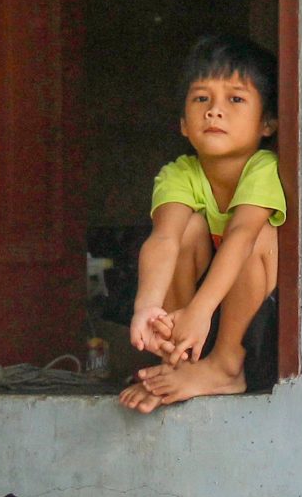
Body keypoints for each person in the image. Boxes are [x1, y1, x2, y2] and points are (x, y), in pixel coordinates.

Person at [119, 35, 287, 413]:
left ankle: (225, 368)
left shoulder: (264, 168)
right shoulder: (179, 174)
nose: (214, 111)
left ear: (268, 123)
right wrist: (146, 308)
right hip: (194, 326)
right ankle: (177, 364)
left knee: (257, 233)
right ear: (182, 123)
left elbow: (242, 236)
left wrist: (200, 311)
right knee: (188, 228)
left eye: (236, 99)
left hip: (255, 333)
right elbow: (164, 239)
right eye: (201, 99)